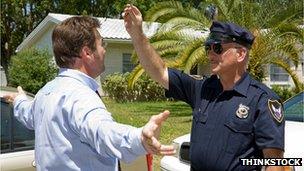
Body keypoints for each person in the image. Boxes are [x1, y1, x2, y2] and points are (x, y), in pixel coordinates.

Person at [123, 5, 285, 171]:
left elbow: (274, 162)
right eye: (208, 48)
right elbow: (160, 72)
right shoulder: (202, 88)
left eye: (217, 48)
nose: (210, 54)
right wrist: (137, 34)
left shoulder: (262, 100)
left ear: (241, 54)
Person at [4, 16, 175, 171]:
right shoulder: (80, 96)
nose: (104, 50)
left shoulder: (45, 92)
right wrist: (138, 139)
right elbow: (101, 130)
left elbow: (29, 113)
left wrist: (19, 100)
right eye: (102, 44)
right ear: (87, 52)